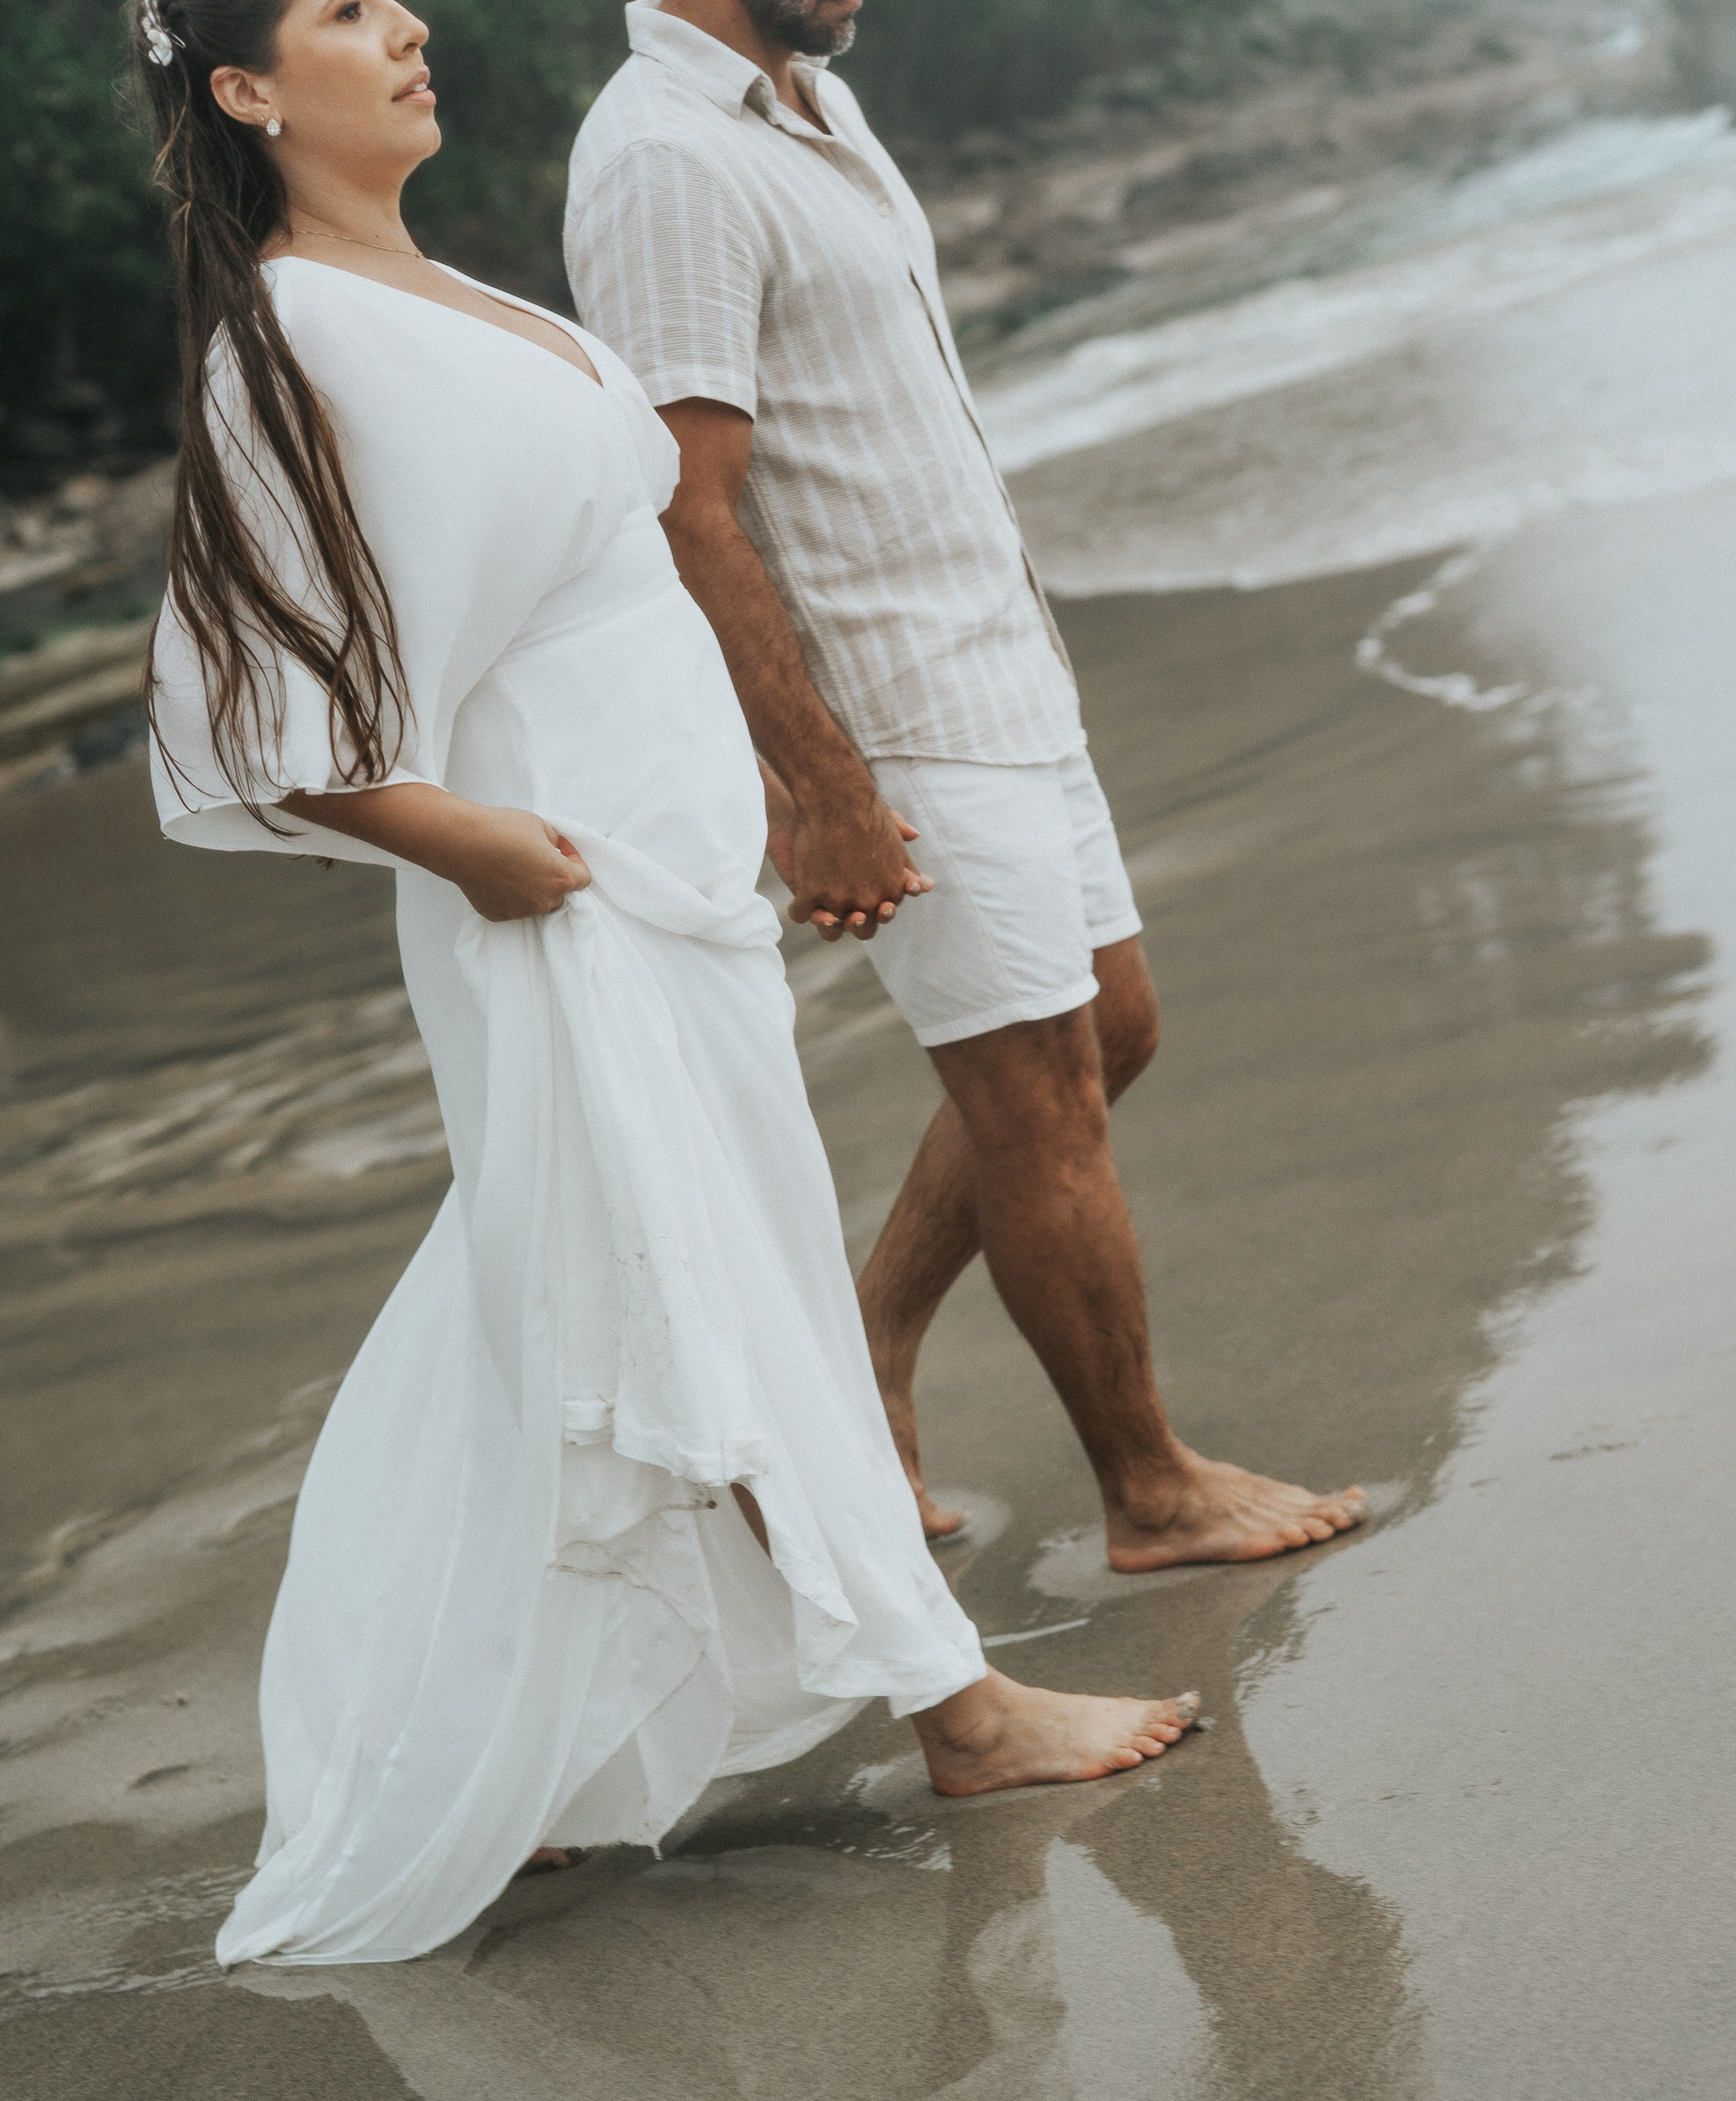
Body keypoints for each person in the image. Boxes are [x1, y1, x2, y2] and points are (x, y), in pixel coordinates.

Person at [134, 0, 1200, 1968]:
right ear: (245, 91)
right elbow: (260, 715)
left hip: (668, 879)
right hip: (567, 891)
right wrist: (476, 846)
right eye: (348, 12)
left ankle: (469, 1745)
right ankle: (956, 1708)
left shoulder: (441, 291)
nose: (409, 24)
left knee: (561, 1291)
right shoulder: (289, 337)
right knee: (709, 1280)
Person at [564, 0, 1366, 1564]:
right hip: (889, 702)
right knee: (1037, 1095)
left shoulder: (810, 101)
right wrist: (818, 781)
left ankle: (864, 1348)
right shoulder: (661, 159)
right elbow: (686, 510)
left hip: (994, 657)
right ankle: (1147, 1490)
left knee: (1110, 1032)